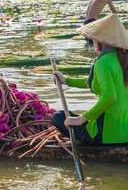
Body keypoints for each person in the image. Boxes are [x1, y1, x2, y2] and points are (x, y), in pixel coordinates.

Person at [52, 13, 128, 145]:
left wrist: (82, 118)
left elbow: (110, 97)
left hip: (109, 134)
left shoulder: (103, 62)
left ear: (100, 43)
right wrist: (66, 81)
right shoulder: (123, 59)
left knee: (58, 117)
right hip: (125, 130)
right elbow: (96, 82)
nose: (93, 43)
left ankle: (88, 141)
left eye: (93, 40)